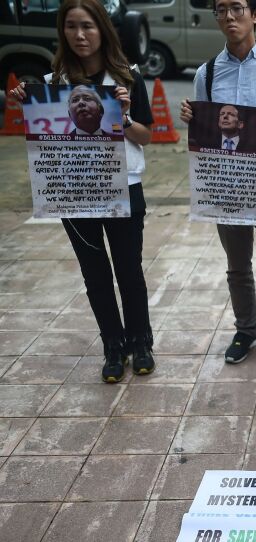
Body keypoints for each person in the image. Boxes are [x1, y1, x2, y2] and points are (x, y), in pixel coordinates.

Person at [8, 0, 155, 383]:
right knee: (95, 273)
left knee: (129, 269)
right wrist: (23, 99)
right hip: (74, 191)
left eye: (87, 26)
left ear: (102, 30)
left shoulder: (127, 77)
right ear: (63, 33)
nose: (80, 35)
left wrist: (122, 117)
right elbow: (40, 130)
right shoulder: (53, 84)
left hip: (124, 186)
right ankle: (113, 345)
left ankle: (141, 342)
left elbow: (147, 135)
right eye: (71, 27)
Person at [179, 0, 256, 370]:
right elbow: (206, 135)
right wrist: (192, 119)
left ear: (255, 14)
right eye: (221, 10)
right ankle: (246, 329)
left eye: (237, 8)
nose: (229, 17)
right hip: (227, 185)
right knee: (237, 266)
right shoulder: (208, 73)